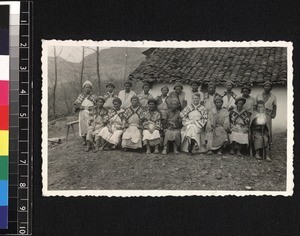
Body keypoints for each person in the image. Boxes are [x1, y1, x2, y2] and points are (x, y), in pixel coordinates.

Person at [74, 80, 97, 146]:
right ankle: (84, 140)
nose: (87, 89)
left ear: (91, 88)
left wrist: (93, 107)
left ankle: (91, 140)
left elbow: (97, 105)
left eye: (89, 87)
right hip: (82, 113)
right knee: (83, 126)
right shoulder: (81, 95)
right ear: (84, 88)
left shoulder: (94, 96)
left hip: (91, 113)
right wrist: (79, 107)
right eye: (86, 87)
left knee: (91, 125)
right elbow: (76, 104)